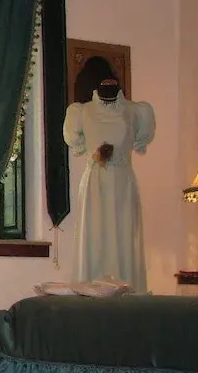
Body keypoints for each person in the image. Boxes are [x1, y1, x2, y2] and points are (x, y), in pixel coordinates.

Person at [63, 77, 156, 292]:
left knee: (124, 234)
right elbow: (75, 141)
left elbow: (141, 139)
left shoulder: (136, 111)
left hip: (123, 181)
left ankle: (126, 291)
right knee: (94, 236)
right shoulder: (82, 112)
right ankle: (91, 291)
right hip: (94, 181)